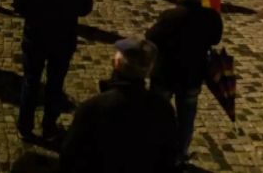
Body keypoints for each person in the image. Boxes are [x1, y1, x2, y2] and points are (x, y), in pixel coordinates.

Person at [13, 0, 93, 142]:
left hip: (35, 37)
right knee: (55, 83)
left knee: (31, 80)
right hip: (63, 38)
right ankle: (49, 126)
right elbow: (85, 9)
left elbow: (19, 7)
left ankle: (24, 125)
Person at [60, 37, 178, 172]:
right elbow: (168, 157)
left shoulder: (93, 108)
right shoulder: (163, 109)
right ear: (149, 70)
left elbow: (70, 156)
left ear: (116, 64)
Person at [146, 0, 223, 165]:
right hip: (192, 75)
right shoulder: (211, 17)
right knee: (187, 116)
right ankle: (180, 154)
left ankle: (154, 149)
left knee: (157, 113)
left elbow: (151, 37)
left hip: (165, 74)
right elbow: (215, 39)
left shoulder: (170, 16)